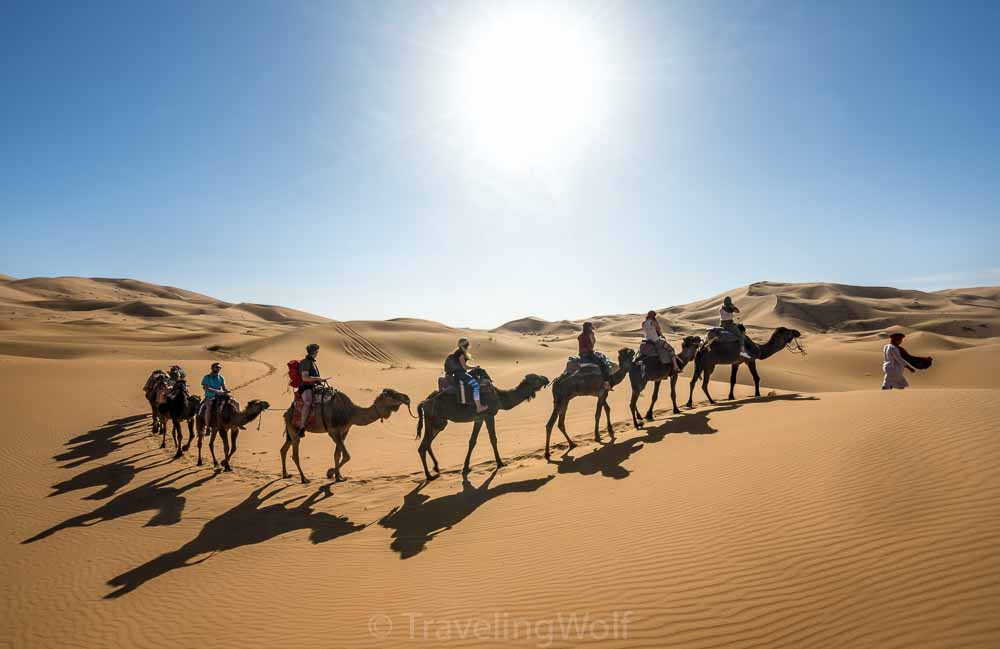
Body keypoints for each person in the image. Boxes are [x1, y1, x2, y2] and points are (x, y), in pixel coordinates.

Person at [297, 343, 332, 437]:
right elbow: (304, 378)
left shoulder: (312, 362)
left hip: (314, 387)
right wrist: (317, 379)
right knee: (308, 402)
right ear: (314, 352)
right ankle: (302, 426)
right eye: (317, 351)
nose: (317, 353)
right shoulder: (305, 362)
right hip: (305, 387)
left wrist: (320, 380)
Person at [445, 338, 488, 413]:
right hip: (461, 374)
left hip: (461, 373)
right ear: (466, 345)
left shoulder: (458, 352)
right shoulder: (461, 354)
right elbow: (464, 367)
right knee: (475, 385)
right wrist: (474, 367)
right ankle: (479, 407)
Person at [578, 322, 612, 391]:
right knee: (603, 365)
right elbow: (590, 346)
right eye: (590, 327)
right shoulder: (586, 335)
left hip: (584, 353)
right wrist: (591, 337)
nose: (591, 328)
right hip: (587, 354)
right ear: (588, 328)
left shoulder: (582, 335)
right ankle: (606, 384)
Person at [199, 362, 229, 427]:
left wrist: (226, 390)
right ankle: (207, 426)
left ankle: (236, 422)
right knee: (208, 408)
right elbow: (206, 388)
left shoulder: (221, 378)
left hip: (220, 397)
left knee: (235, 403)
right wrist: (216, 391)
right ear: (212, 368)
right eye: (217, 367)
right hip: (210, 397)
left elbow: (224, 388)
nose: (218, 369)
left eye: (219, 368)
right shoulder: (207, 377)